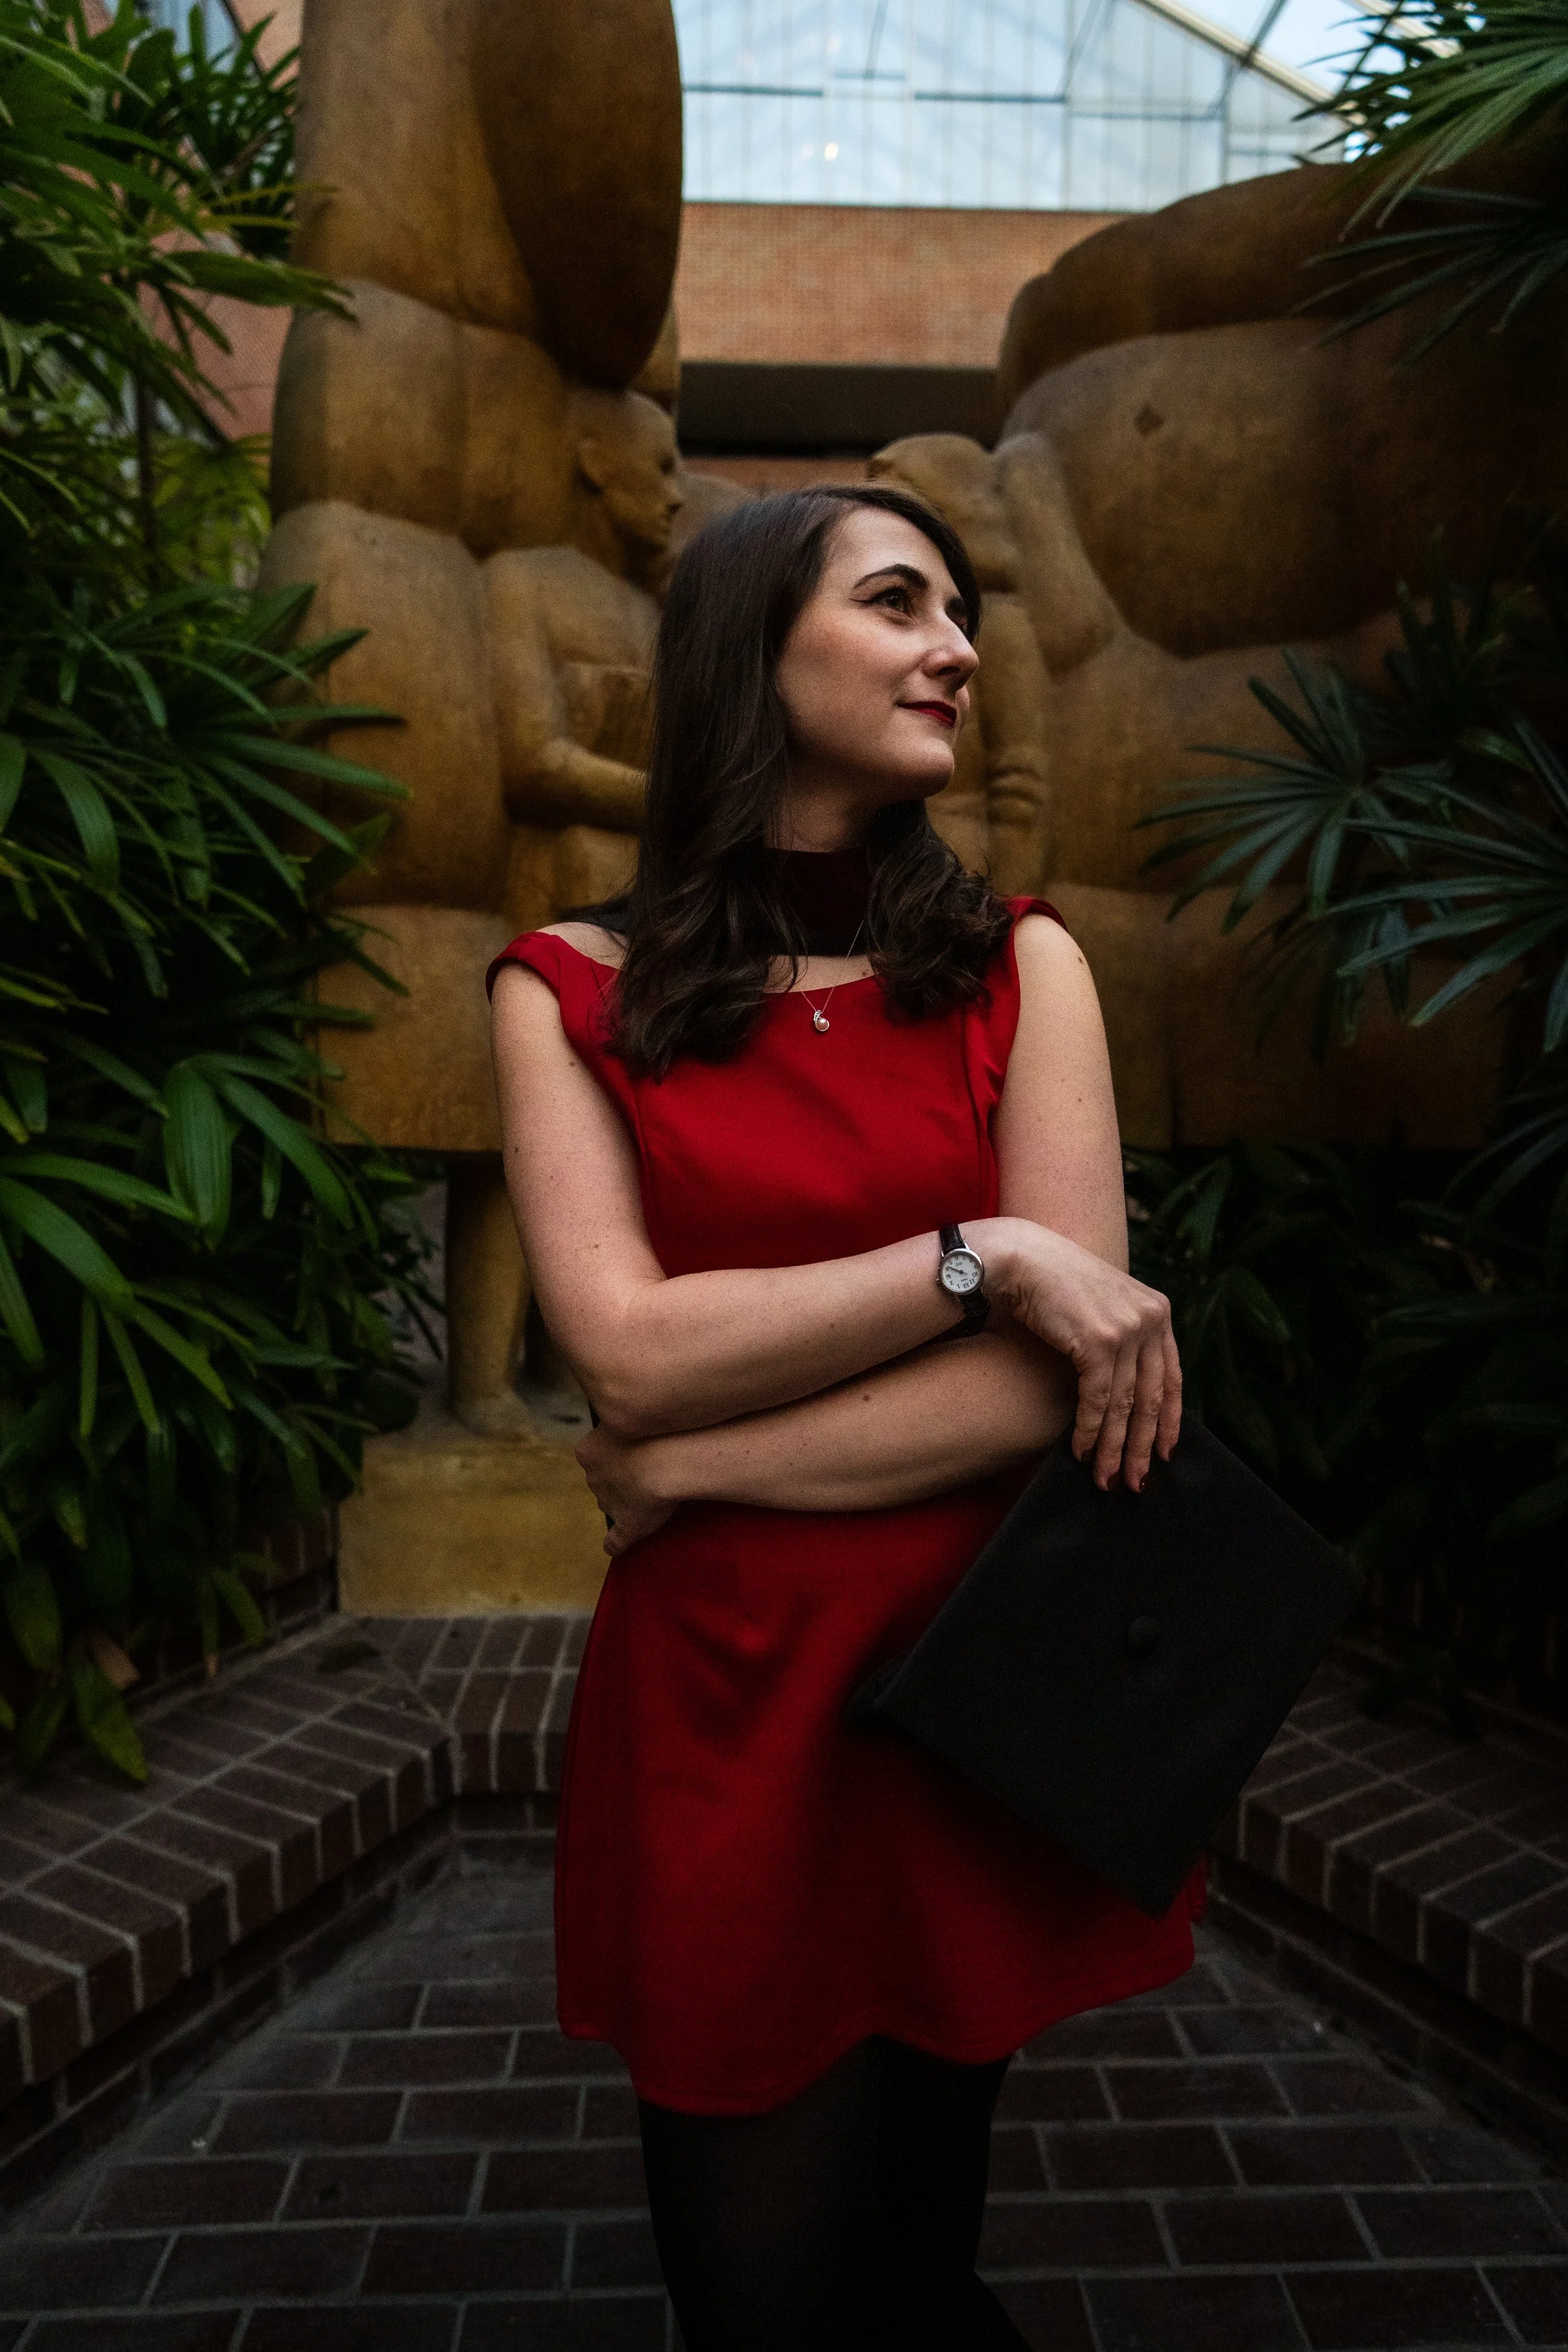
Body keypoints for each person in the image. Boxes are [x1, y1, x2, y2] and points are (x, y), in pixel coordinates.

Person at [487, 485, 1197, 2351]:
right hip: (723, 1706)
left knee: (916, 2257)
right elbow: (626, 1350)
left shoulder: (1022, 963)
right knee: (749, 2291)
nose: (955, 645)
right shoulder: (566, 988)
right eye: (898, 603)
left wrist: (694, 1459)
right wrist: (975, 1253)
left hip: (960, 1691)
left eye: (955, 609)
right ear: (750, 648)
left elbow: (1056, 1384)